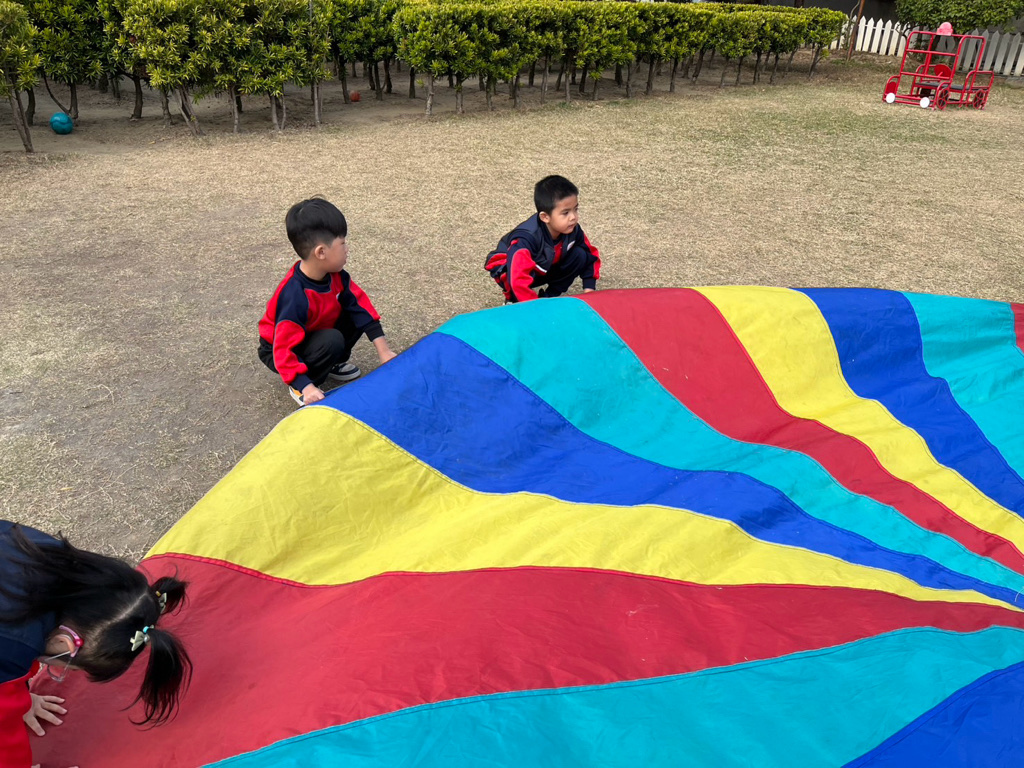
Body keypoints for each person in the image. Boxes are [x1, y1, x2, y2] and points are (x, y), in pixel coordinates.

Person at [0, 520, 191, 768]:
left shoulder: (51, 556)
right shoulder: (11, 646)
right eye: (65, 665)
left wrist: (20, 694)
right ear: (65, 643)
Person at [259, 198, 397, 407]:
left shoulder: (336, 275)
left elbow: (361, 308)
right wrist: (304, 385)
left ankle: (330, 364)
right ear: (321, 252)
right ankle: (303, 383)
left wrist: (384, 351)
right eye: (342, 243)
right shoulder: (294, 295)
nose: (347, 249)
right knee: (331, 339)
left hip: (311, 333)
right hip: (278, 349)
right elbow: (282, 348)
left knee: (354, 312)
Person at [484, 175, 601, 303]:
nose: (573, 217)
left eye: (575, 209)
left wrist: (589, 289)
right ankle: (513, 301)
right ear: (545, 217)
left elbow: (590, 255)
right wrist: (534, 307)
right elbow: (517, 278)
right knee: (511, 273)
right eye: (565, 213)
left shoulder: (573, 230)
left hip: (542, 266)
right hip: (511, 268)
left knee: (580, 254)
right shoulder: (527, 239)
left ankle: (549, 297)